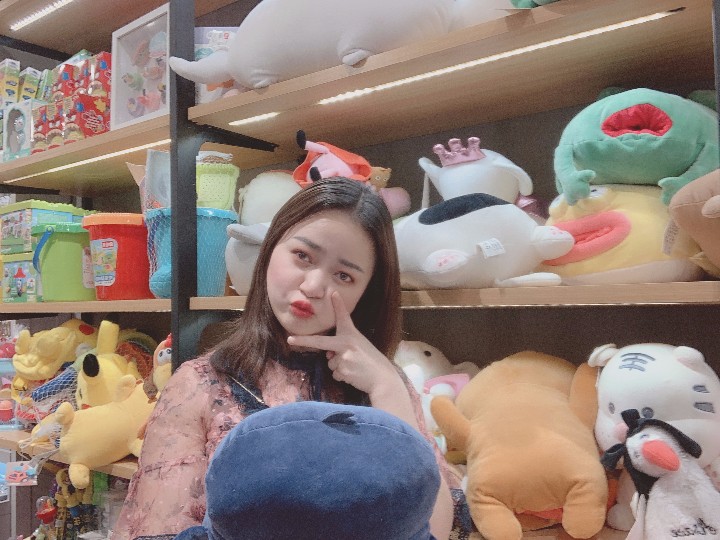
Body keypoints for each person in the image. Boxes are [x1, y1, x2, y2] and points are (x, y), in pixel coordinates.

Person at [112, 177, 458, 540]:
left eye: (344, 275)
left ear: (366, 292)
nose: (313, 286)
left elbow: (433, 527)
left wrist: (387, 387)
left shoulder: (382, 385)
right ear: (271, 249)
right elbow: (160, 528)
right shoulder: (200, 385)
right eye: (303, 256)